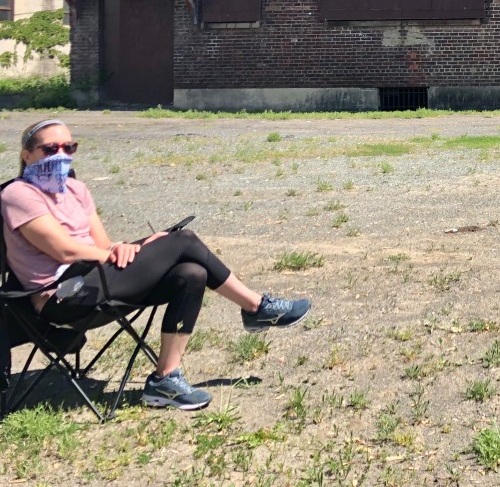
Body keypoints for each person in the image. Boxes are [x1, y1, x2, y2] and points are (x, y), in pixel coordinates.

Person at [1, 119, 312, 410]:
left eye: (69, 147)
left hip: (96, 281)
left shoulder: (76, 189)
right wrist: (121, 253)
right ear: (27, 155)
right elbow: (63, 250)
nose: (61, 155)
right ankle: (256, 307)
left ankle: (165, 380)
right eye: (50, 149)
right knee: (183, 240)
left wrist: (137, 247)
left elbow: (103, 246)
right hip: (61, 298)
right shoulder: (18, 194)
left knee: (190, 273)